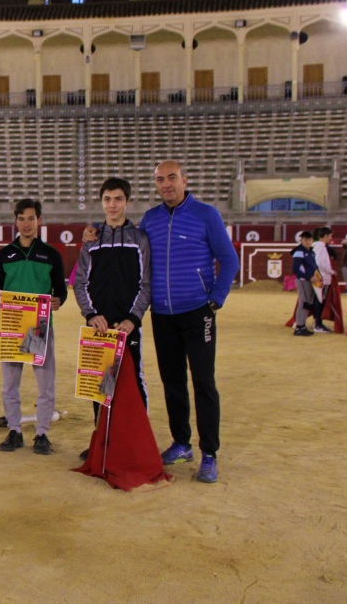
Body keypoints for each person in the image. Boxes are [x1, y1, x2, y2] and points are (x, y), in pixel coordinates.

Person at [88, 162, 238, 483]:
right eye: (160, 179)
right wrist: (93, 232)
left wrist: (216, 298)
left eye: (172, 178)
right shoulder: (151, 220)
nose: (166, 184)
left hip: (198, 312)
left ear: (185, 179)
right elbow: (126, 244)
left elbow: (229, 259)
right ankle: (182, 443)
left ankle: (209, 452)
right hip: (163, 315)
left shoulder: (206, 215)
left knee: (203, 382)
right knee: (172, 382)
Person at [73, 177, 152, 459]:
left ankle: (137, 442)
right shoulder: (91, 241)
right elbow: (80, 283)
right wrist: (91, 314)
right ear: (101, 202)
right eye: (107, 199)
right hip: (98, 326)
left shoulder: (139, 239)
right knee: (98, 384)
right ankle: (102, 440)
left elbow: (146, 285)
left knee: (134, 383)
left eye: (118, 199)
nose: (112, 205)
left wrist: (133, 318)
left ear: (127, 201)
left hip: (127, 326)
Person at [0, 198, 66, 455]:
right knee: (9, 384)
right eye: (22, 218)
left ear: (39, 221)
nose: (26, 223)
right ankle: (14, 431)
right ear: (16, 221)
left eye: (31, 218)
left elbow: (61, 291)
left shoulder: (51, 254)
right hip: (12, 328)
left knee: (46, 384)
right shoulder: (4, 254)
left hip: (41, 328)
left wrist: (58, 301)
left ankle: (42, 433)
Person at [291, 231, 319, 337]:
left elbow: (314, 267)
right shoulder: (299, 252)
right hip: (303, 280)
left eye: (310, 239)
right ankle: (299, 327)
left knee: (307, 303)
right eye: (306, 239)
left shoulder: (310, 252)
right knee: (304, 303)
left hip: (310, 280)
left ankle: (302, 326)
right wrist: (309, 277)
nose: (308, 242)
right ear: (301, 240)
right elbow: (295, 269)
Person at [310, 227, 335, 333]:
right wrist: (330, 271)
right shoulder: (321, 247)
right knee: (320, 301)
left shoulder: (317, 246)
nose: (331, 238)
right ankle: (318, 324)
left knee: (318, 300)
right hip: (322, 277)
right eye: (330, 236)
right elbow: (319, 262)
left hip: (320, 276)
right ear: (325, 236)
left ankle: (316, 322)